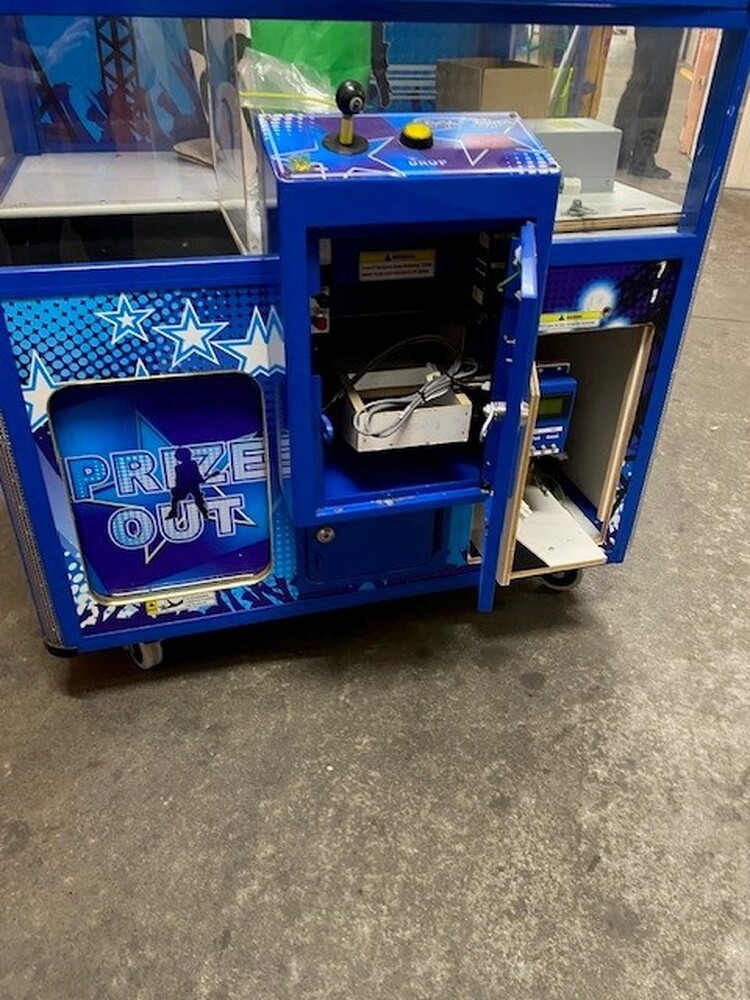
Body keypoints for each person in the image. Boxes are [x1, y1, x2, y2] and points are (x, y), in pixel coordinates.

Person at [614, 27, 684, 179]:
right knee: (659, 80)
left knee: (641, 75)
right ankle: (643, 156)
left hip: (649, 19)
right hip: (669, 18)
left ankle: (619, 151)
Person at [166, 447, 209, 521]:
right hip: (187, 486)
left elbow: (195, 474)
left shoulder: (187, 465)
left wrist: (199, 479)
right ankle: (174, 513)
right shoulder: (181, 467)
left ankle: (204, 513)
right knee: (197, 499)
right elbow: (179, 479)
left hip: (190, 486)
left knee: (198, 500)